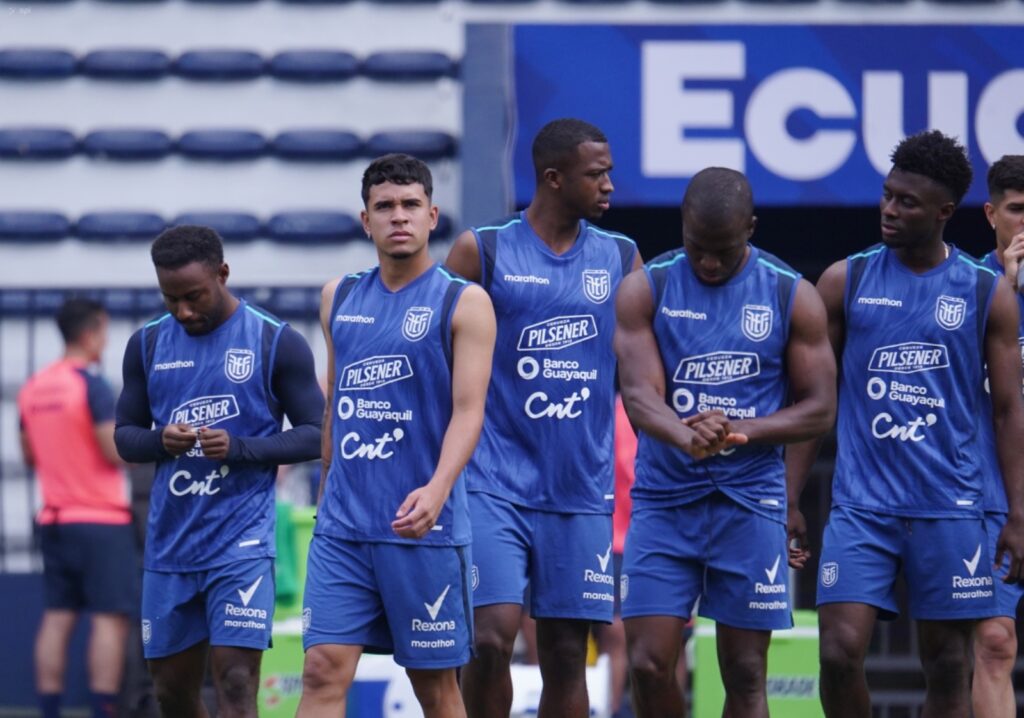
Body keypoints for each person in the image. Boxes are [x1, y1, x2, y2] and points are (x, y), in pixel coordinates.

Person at [787, 130, 1024, 718]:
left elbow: (1008, 409)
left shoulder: (983, 290)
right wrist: (788, 499)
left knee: (948, 666)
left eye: (907, 202)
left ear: (945, 212)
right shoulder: (847, 281)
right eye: (888, 196)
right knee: (839, 655)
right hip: (862, 508)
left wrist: (1017, 513)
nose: (890, 210)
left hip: (952, 507)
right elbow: (814, 401)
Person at [614, 167, 836, 718]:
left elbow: (820, 407)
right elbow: (639, 397)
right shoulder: (649, 286)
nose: (708, 263)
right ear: (682, 227)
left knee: (743, 672)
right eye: (697, 249)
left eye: (723, 251)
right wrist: (684, 434)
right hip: (666, 502)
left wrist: (742, 429)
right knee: (646, 663)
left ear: (751, 230)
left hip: (749, 503)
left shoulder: (792, 294)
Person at [445, 117, 642, 718]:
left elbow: (642, 373)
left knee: (564, 650)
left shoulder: (622, 257)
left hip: (579, 491)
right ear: (554, 179)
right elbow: (435, 361)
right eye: (596, 173)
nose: (609, 184)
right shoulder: (483, 249)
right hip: (493, 482)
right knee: (488, 639)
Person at [297, 154, 496, 718]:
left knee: (433, 685)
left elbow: (469, 412)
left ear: (433, 216)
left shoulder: (465, 301)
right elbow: (336, 399)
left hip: (421, 526)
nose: (398, 217)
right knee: (320, 670)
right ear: (366, 222)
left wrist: (437, 489)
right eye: (384, 207)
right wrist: (325, 488)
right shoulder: (338, 296)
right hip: (343, 526)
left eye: (410, 205)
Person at [114, 225, 324, 717]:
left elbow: (317, 432)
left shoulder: (275, 341)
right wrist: (158, 440)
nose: (183, 311)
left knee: (234, 681)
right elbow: (125, 435)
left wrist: (241, 448)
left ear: (222, 274)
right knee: (171, 693)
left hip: (241, 543)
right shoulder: (145, 345)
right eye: (171, 299)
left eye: (194, 296)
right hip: (170, 547)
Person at [18, 298, 137, 718]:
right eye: (104, 332)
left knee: (58, 617)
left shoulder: (33, 386)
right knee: (110, 619)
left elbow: (30, 455)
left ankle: (48, 710)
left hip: (52, 519)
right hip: (101, 520)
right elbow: (112, 450)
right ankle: (104, 710)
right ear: (92, 332)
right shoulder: (90, 383)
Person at [972, 154, 1024, 718]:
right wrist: (1006, 295)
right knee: (993, 641)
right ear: (992, 214)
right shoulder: (969, 285)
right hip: (996, 498)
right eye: (1017, 211)